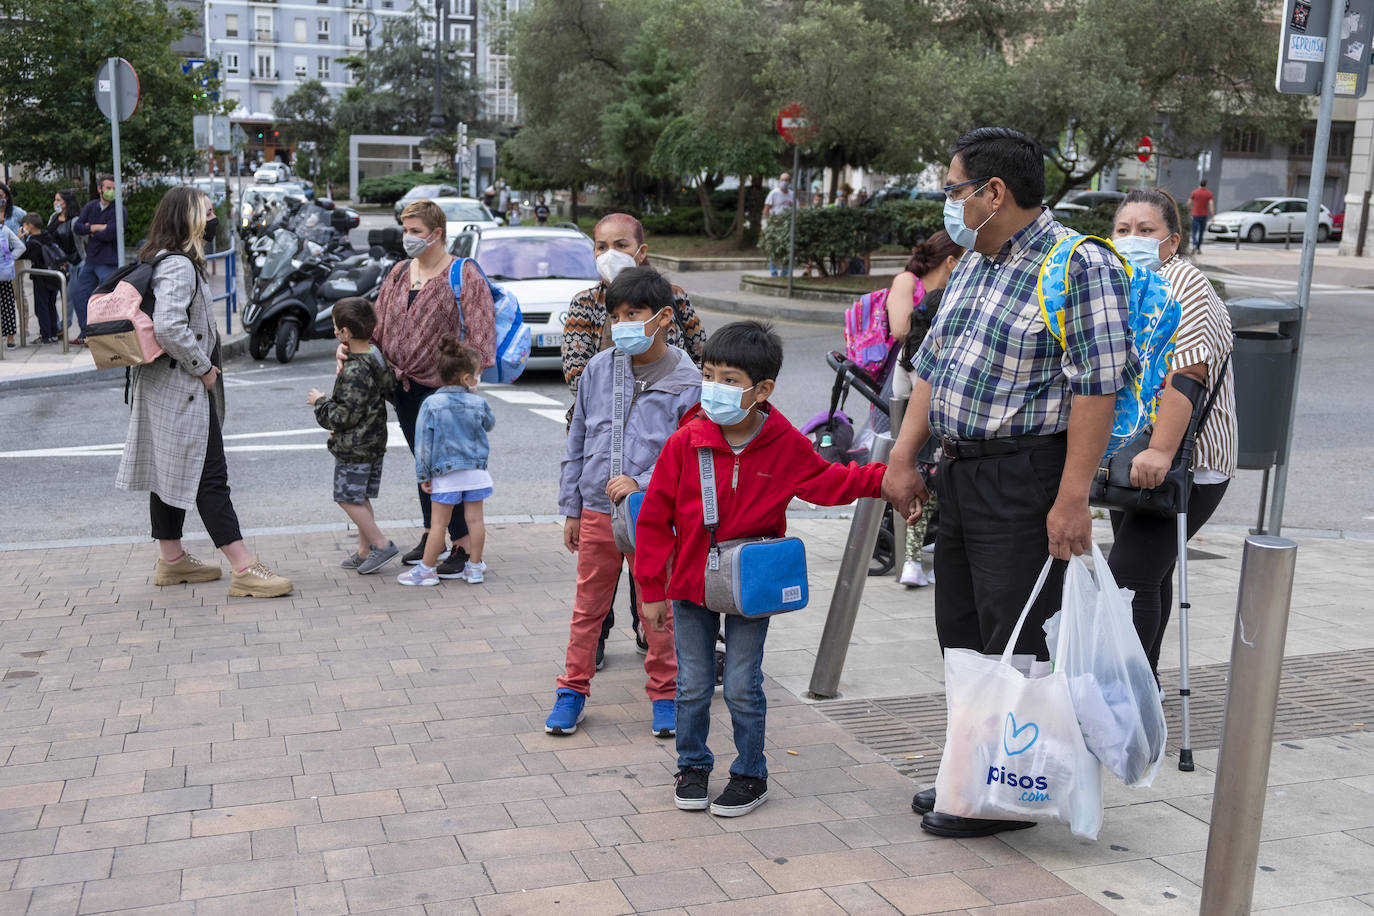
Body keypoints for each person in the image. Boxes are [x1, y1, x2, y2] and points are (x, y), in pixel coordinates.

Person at [883, 127, 1136, 838]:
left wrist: (1072, 498)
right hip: (960, 470)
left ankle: (1003, 794)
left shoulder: (1078, 266)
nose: (948, 203)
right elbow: (932, 365)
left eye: (953, 189)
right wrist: (905, 457)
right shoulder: (974, 260)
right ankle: (971, 771)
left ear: (994, 193)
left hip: (1025, 476)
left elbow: (1097, 388)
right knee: (961, 633)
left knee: (1012, 635)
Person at [635, 321, 889, 818]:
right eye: (708, 375)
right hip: (690, 586)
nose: (714, 388)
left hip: (750, 586)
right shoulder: (686, 443)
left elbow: (827, 483)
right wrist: (650, 589)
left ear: (763, 389)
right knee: (691, 684)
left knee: (742, 685)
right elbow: (653, 520)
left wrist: (889, 479)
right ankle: (692, 765)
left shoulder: (783, 442)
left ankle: (751, 773)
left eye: (729, 379)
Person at [115, 186, 292, 599]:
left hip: (161, 386)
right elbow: (169, 327)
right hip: (184, 389)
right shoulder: (179, 266)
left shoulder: (158, 257)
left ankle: (172, 560)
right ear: (190, 219)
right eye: (208, 212)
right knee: (210, 476)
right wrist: (204, 368)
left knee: (167, 470)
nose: (214, 220)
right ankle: (244, 566)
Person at [546, 266, 701, 737]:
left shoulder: (689, 381)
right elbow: (577, 438)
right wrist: (572, 507)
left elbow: (691, 455)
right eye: (615, 315)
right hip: (595, 509)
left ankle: (666, 693)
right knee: (588, 606)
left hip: (654, 517)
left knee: (659, 608)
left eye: (633, 313)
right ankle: (571, 689)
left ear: (664, 318)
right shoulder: (599, 367)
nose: (622, 324)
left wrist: (643, 482)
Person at [561, 212, 707, 659]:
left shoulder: (673, 300)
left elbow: (700, 359)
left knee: (655, 590)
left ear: (641, 251)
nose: (610, 255)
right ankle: (589, 660)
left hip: (652, 482)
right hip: (602, 464)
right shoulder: (587, 306)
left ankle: (659, 660)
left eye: (620, 245)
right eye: (601, 247)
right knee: (591, 597)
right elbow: (577, 374)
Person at [1107, 187, 1237, 683]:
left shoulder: (1183, 284)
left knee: (1130, 578)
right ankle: (1148, 688)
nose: (1132, 239)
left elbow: (1189, 373)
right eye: (1123, 230)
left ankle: (1128, 695)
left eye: (1146, 230)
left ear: (1173, 240)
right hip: (1134, 459)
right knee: (1149, 576)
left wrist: (1161, 449)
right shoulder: (1133, 282)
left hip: (1187, 461)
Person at [370, 199, 495, 578]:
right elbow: (378, 323)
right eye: (405, 230)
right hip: (403, 386)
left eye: (416, 232)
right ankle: (433, 535)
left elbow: (481, 333)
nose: (408, 238)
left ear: (436, 233)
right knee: (424, 463)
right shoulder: (398, 273)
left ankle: (461, 544)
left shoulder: (463, 272)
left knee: (449, 469)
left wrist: (466, 380)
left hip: (446, 390)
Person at [888, 231, 967, 587]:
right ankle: (927, 563)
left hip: (909, 424)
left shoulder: (910, 357)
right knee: (938, 498)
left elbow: (900, 389)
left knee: (921, 500)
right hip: (939, 434)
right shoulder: (911, 283)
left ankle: (911, 561)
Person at [307, 297, 399, 576]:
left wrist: (320, 402)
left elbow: (342, 416)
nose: (335, 332)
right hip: (373, 441)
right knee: (359, 497)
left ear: (345, 332)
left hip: (355, 446)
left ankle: (381, 545)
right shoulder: (375, 355)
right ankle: (365, 550)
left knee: (347, 498)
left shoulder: (355, 369)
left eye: (336, 328)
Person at [397, 337, 494, 587]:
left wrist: (423, 475)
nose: (478, 378)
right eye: (476, 374)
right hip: (475, 471)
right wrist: (475, 397)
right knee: (476, 520)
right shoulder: (477, 402)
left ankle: (426, 570)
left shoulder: (431, 404)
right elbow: (489, 424)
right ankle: (474, 567)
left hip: (446, 473)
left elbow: (423, 444)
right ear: (466, 378)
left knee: (439, 522)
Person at [71, 176, 128, 346]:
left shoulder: (119, 210)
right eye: (108, 187)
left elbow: (111, 233)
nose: (111, 191)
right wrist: (96, 228)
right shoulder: (91, 206)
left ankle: (107, 335)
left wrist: (92, 229)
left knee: (107, 300)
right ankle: (86, 333)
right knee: (80, 296)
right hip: (91, 260)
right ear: (99, 189)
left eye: (113, 188)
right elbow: (78, 227)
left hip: (109, 262)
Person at [15, 213, 62, 344]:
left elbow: (19, 254)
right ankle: (53, 333)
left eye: (24, 225)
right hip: (53, 275)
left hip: (41, 278)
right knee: (51, 305)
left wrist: (19, 238)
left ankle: (45, 335)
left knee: (41, 307)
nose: (22, 227)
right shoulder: (47, 236)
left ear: (30, 226)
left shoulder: (32, 242)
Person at [48, 190, 84, 332]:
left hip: (73, 263)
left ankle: (65, 325)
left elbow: (82, 241)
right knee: (51, 297)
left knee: (69, 297)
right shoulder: (53, 217)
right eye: (55, 199)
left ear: (67, 203)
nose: (55, 203)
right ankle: (57, 327)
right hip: (55, 263)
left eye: (58, 200)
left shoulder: (75, 221)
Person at [761, 173, 795, 277]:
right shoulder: (774, 193)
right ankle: (774, 272)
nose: (784, 182)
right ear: (780, 181)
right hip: (776, 226)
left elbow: (796, 210)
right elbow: (766, 209)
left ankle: (785, 273)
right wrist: (767, 224)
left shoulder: (792, 194)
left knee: (787, 250)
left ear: (789, 181)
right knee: (774, 250)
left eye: (786, 180)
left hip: (788, 226)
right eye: (782, 180)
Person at [0, 218, 25, 350]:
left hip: (3, 274)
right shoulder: (4, 230)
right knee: (8, 305)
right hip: (4, 275)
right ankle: (10, 338)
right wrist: (8, 261)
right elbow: (20, 247)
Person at [1188, 179, 1214, 253]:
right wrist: (1212, 215)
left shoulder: (1195, 192)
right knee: (1201, 232)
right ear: (1206, 185)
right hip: (1204, 215)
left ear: (1200, 184)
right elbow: (1211, 204)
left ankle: (1194, 245)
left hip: (1195, 214)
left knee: (1194, 231)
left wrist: (1189, 211)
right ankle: (1198, 248)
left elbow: (1189, 202)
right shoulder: (1209, 194)